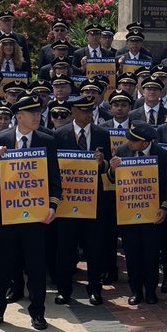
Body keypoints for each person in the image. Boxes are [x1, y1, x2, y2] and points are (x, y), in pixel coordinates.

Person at [0, 92, 61, 331]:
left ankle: (37, 312)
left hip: (35, 215)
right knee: (1, 266)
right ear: (18, 116)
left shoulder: (46, 140)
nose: (37, 116)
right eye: (32, 113)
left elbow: (55, 179)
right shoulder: (2, 139)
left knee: (36, 265)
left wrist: (53, 205)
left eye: (39, 112)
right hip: (6, 214)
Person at [52, 94, 111, 305]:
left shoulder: (102, 134)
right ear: (74, 112)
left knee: (94, 248)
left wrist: (102, 163)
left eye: (90, 110)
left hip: (93, 201)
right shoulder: (59, 135)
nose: (88, 114)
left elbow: (107, 168)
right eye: (84, 110)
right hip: (68, 201)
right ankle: (64, 290)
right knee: (65, 249)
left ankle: (95, 289)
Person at [109, 122, 167, 305]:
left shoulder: (161, 155)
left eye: (133, 140)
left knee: (151, 255)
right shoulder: (122, 151)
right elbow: (113, 179)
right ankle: (136, 290)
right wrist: (112, 169)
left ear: (145, 143)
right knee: (132, 254)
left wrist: (165, 207)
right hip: (129, 213)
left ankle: (151, 290)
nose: (129, 142)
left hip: (152, 214)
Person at [0, 10, 32, 75]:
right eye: (4, 21)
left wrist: (28, 76)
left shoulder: (20, 38)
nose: (7, 23)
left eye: (9, 20)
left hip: (16, 72)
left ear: (13, 21)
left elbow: (26, 58)